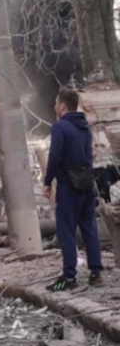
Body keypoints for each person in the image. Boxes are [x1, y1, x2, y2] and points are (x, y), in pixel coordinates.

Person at [43, 89, 104, 291]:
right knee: (89, 227)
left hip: (69, 184)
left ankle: (69, 277)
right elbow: (89, 155)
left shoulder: (60, 127)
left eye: (55, 103)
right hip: (87, 182)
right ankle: (96, 272)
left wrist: (47, 181)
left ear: (62, 106)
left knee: (66, 230)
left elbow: (55, 156)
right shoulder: (85, 126)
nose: (54, 107)